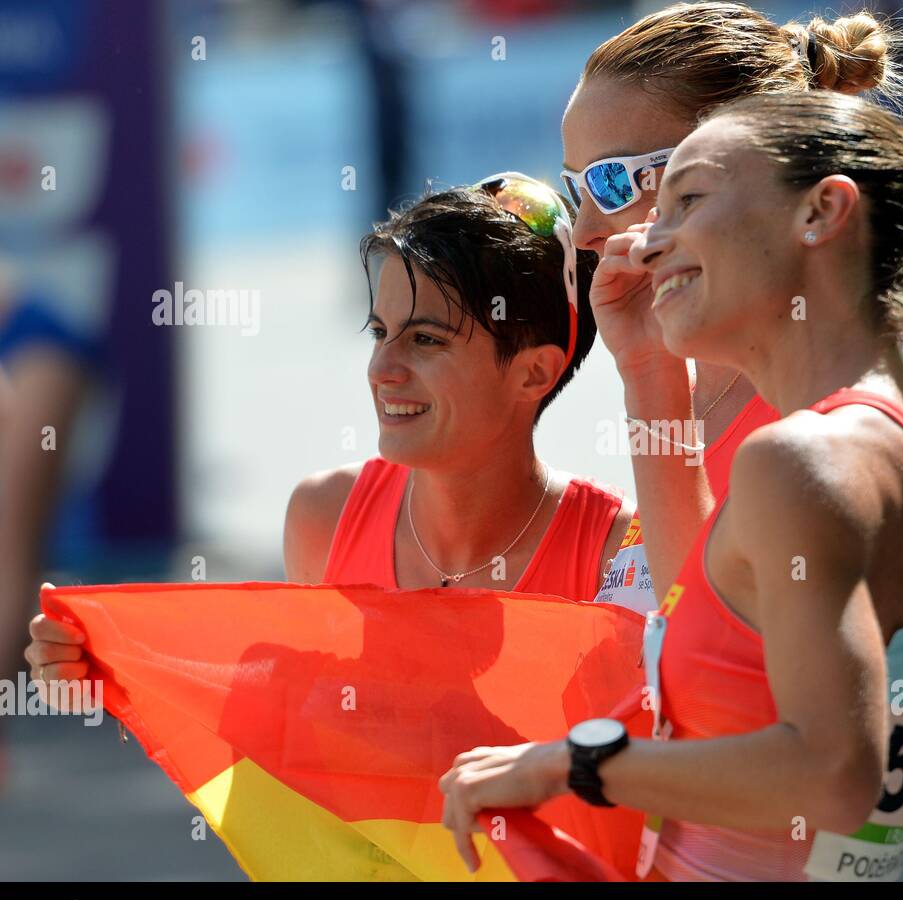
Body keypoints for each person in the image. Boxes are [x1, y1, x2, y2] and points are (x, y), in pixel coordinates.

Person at [440, 90, 903, 881]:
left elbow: (833, 775)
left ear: (821, 212)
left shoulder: (793, 461)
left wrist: (574, 762)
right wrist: (865, 687)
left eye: (682, 200)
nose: (646, 242)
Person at [568, 1, 903, 716]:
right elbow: (694, 635)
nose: (582, 230)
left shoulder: (819, 424)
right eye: (574, 187)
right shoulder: (697, 389)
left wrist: (853, 686)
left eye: (612, 183)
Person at [25, 175, 635, 699]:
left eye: (426, 339)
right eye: (379, 332)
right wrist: (120, 668)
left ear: (535, 371)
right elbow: (285, 723)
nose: (383, 369)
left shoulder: (615, 559)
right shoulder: (323, 518)